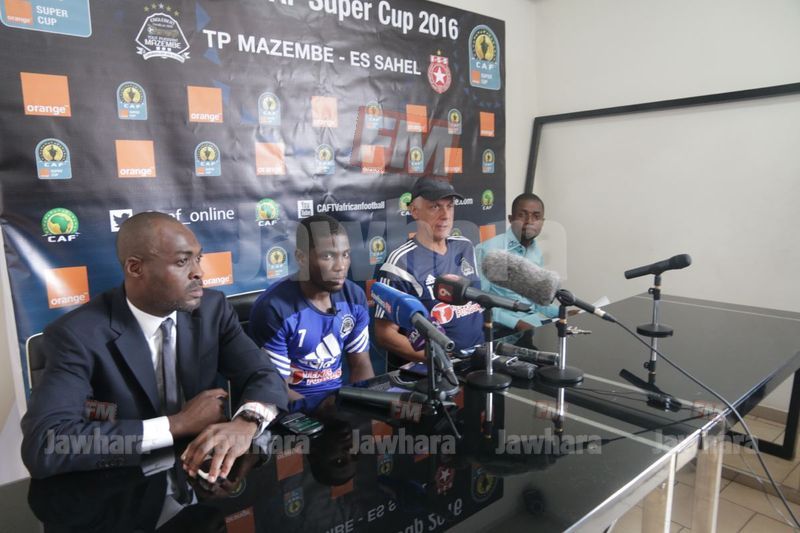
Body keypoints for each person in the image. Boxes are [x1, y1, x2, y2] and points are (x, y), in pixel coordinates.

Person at [21, 212, 288, 482]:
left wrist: (246, 423)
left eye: (198, 258)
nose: (199, 272)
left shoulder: (212, 309)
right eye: (182, 261)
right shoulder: (77, 335)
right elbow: (46, 444)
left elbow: (264, 375)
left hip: (199, 477)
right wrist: (177, 424)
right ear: (136, 268)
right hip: (123, 484)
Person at [249, 214, 374, 412]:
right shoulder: (273, 308)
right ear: (301, 258)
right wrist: (324, 410)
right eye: (328, 256)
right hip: (290, 411)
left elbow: (361, 363)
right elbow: (276, 388)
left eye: (345, 254)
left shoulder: (354, 297)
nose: (341, 266)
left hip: (337, 406)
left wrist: (362, 407)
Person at [374, 178, 483, 369]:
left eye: (449, 206)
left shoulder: (465, 246)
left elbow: (476, 307)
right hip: (436, 370)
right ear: (414, 211)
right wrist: (437, 358)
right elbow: (385, 334)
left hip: (478, 360)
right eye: (435, 207)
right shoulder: (399, 263)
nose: (445, 215)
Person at [475, 193, 559, 332]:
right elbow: (478, 302)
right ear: (511, 219)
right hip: (502, 330)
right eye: (522, 215)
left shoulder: (536, 252)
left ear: (542, 222)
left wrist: (562, 312)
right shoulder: (489, 250)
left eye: (536, 216)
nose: (529, 221)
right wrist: (516, 323)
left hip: (533, 324)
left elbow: (536, 301)